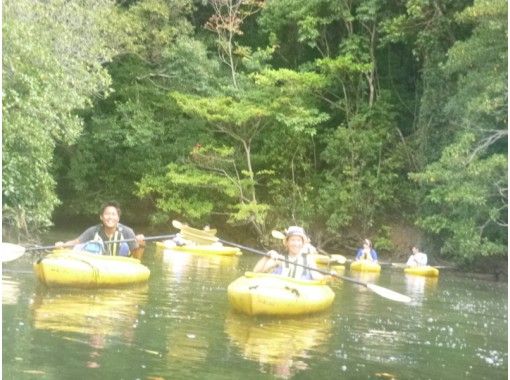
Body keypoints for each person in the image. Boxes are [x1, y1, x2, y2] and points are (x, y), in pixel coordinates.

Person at [55, 201, 145, 257]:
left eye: (113, 214)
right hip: (101, 265)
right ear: (101, 217)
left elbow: (137, 257)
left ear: (118, 218)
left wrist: (141, 244)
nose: (110, 217)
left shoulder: (127, 232)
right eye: (107, 214)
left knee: (125, 247)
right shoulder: (93, 231)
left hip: (121, 265)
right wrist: (63, 245)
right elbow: (76, 242)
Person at [253, 226, 322, 280]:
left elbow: (316, 276)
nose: (296, 243)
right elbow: (256, 272)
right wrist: (266, 257)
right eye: (292, 240)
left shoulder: (308, 260)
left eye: (298, 240)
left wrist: (329, 276)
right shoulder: (280, 259)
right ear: (287, 243)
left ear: (302, 243)